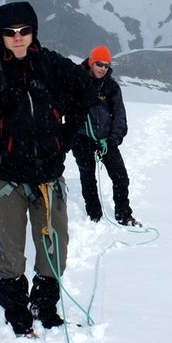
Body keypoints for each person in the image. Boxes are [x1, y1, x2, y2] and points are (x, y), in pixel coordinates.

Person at [0, 1, 95, 336]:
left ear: (34, 32)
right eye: (10, 33)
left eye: (24, 31)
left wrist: (65, 136)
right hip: (7, 179)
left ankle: (45, 307)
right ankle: (17, 312)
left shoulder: (50, 64)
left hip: (48, 177)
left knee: (54, 251)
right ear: (0, 36)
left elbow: (85, 91)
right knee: (12, 254)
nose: (18, 38)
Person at [72, 45, 140, 226]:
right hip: (81, 139)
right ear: (91, 62)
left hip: (105, 140)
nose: (103, 68)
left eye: (107, 65)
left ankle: (124, 214)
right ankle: (94, 214)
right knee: (88, 177)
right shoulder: (76, 81)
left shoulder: (111, 87)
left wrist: (113, 140)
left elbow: (119, 116)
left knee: (120, 177)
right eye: (99, 64)